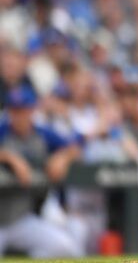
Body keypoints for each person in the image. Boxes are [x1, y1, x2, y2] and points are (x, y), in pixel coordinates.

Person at [0, 84, 84, 258]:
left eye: (23, 110)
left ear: (32, 110)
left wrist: (62, 157)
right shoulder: (3, 131)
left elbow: (76, 147)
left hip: (20, 219)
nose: (19, 116)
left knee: (66, 248)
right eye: (15, 110)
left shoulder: (42, 134)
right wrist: (10, 158)